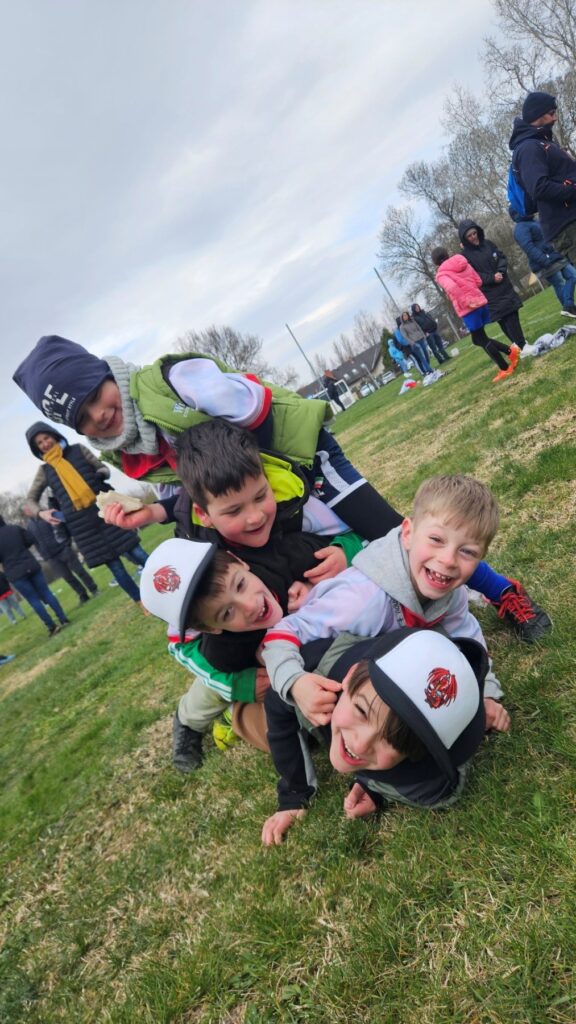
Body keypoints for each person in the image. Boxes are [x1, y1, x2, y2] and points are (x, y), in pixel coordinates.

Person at [13, 335, 402, 544]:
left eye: (96, 396)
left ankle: (427, 560)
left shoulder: (168, 380)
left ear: (108, 375)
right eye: (83, 418)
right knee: (321, 541)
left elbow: (254, 406)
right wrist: (152, 513)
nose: (98, 414)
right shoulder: (127, 453)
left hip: (299, 449)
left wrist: (227, 449)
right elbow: (188, 494)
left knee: (370, 521)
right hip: (256, 484)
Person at [140, 419, 366, 771]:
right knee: (228, 672)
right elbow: (182, 645)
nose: (255, 517)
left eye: (261, 497)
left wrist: (342, 553)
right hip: (239, 649)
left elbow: (354, 536)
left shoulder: (295, 509)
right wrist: (238, 684)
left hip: (290, 625)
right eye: (233, 511)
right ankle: (195, 720)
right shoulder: (196, 558)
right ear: (204, 514)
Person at [261, 627, 510, 845]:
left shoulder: (427, 788)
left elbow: (444, 781)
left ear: (418, 754)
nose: (361, 744)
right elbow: (276, 700)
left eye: (392, 741)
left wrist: (374, 787)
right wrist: (294, 794)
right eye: (361, 710)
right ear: (350, 676)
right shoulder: (316, 676)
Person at [24, 422, 148, 606]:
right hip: (84, 527)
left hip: (106, 511)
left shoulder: (78, 450)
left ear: (54, 435)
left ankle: (170, 580)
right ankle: (140, 601)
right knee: (116, 567)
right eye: (39, 443)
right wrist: (41, 513)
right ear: (37, 449)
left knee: (137, 551)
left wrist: (100, 474)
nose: (44, 444)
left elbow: (102, 468)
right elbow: (30, 500)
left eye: (46, 438)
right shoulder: (45, 471)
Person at [509, 91, 576, 279]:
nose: (555, 118)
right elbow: (538, 187)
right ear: (538, 114)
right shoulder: (528, 147)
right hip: (567, 223)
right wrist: (573, 189)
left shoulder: (542, 142)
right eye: (551, 113)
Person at [432, 246, 519, 383]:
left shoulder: (441, 274)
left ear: (436, 262)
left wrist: (466, 301)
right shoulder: (462, 261)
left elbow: (453, 287)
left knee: (481, 339)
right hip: (481, 302)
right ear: (447, 254)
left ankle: (505, 367)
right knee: (477, 339)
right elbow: (478, 281)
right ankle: (510, 352)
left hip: (469, 308)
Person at [458, 220, 527, 353]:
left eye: (474, 233)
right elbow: (472, 275)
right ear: (464, 239)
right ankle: (521, 345)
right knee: (504, 318)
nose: (473, 237)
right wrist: (491, 278)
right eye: (469, 236)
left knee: (513, 313)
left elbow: (501, 257)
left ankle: (520, 344)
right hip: (489, 293)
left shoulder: (488, 244)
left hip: (504, 286)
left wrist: (500, 272)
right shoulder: (464, 256)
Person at [0, 515, 70, 635]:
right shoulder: (15, 528)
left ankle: (51, 626)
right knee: (46, 593)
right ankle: (63, 618)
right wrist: (21, 548)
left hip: (15, 572)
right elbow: (31, 539)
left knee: (33, 600)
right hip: (30, 564)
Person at [22, 501, 98, 606]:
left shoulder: (47, 515)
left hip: (63, 549)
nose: (28, 511)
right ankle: (82, 594)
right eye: (26, 510)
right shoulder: (29, 526)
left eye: (29, 508)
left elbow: (60, 527)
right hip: (51, 557)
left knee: (79, 571)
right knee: (68, 577)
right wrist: (44, 556)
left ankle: (94, 589)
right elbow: (36, 543)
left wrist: (66, 543)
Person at [508, 206, 576, 316]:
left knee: (573, 276)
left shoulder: (534, 221)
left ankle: (568, 306)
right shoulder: (520, 228)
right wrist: (544, 260)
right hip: (544, 262)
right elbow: (528, 247)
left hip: (555, 255)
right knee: (559, 283)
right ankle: (570, 308)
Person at [397, 312, 435, 377]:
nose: (405, 316)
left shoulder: (413, 321)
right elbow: (405, 336)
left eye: (406, 315)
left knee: (426, 355)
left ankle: (427, 369)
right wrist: (412, 343)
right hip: (414, 343)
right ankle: (430, 370)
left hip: (421, 339)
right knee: (422, 357)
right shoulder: (402, 327)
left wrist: (423, 336)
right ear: (402, 318)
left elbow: (419, 328)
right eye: (404, 316)